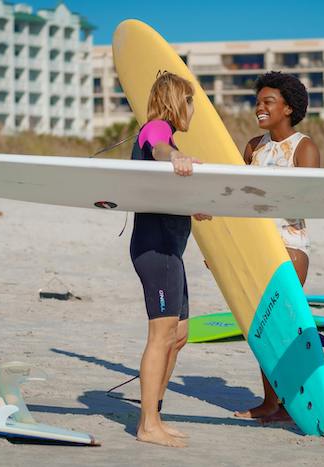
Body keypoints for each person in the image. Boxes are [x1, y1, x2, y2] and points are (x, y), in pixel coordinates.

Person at [234, 71, 321, 423]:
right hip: (254, 244)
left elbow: (306, 201)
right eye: (258, 102)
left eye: (268, 102)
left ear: (288, 108)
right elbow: (236, 200)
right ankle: (273, 402)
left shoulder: (305, 147)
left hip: (289, 245)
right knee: (261, 328)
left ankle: (290, 400)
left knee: (281, 325)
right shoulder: (253, 147)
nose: (260, 108)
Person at [130, 72, 210, 448]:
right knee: (161, 337)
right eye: (191, 100)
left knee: (178, 336)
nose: (194, 108)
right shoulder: (156, 129)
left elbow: (159, 190)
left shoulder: (164, 134)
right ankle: (147, 425)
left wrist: (190, 206)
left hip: (169, 251)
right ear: (178, 101)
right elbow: (160, 148)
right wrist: (175, 156)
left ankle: (155, 415)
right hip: (157, 250)